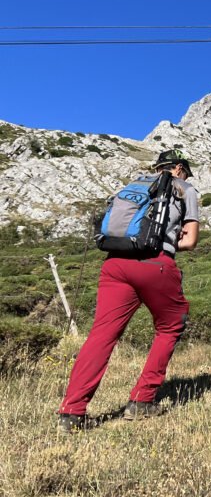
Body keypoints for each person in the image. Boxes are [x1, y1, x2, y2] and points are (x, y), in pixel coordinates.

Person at [58, 149, 200, 432]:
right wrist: (171, 237)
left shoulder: (134, 186)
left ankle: (72, 412)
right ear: (179, 168)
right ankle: (142, 400)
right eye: (185, 171)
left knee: (102, 334)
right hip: (155, 264)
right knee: (171, 324)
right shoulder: (185, 189)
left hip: (115, 264)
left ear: (158, 167)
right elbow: (190, 242)